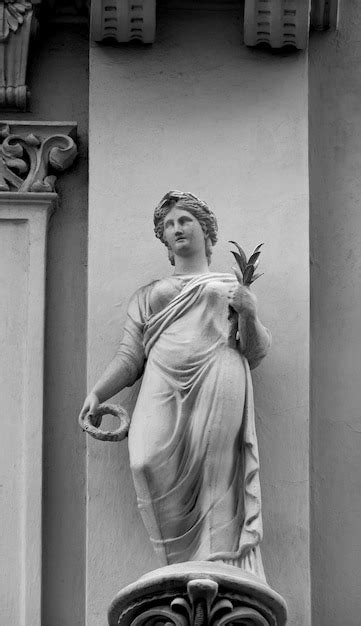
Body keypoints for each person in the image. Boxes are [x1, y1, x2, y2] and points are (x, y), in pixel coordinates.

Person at [79, 191, 271, 579]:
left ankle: (217, 564)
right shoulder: (148, 295)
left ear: (206, 231)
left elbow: (254, 351)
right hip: (162, 380)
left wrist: (248, 311)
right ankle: (178, 568)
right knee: (145, 460)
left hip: (219, 372)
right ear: (164, 241)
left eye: (185, 220)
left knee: (217, 470)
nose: (176, 228)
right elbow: (130, 357)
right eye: (168, 225)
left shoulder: (228, 286)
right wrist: (98, 393)